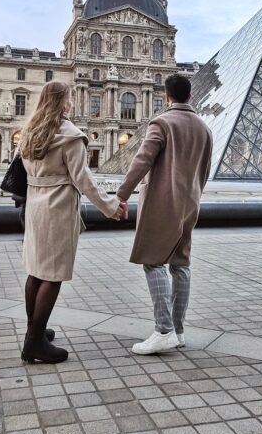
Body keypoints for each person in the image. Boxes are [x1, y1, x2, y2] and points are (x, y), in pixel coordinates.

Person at [19, 81, 127, 364]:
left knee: (35, 271)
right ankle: (34, 343)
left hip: (34, 205)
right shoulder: (70, 135)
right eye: (70, 98)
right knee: (53, 274)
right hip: (58, 207)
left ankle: (35, 331)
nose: (74, 103)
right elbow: (84, 179)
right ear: (63, 102)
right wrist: (111, 206)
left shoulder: (30, 131)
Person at [116, 74, 212, 355]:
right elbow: (204, 171)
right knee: (180, 264)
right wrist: (194, 194)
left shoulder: (163, 123)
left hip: (163, 202)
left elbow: (142, 160)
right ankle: (178, 330)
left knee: (153, 261)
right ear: (190, 96)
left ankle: (163, 330)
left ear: (167, 96)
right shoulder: (204, 128)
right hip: (190, 202)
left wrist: (121, 194)